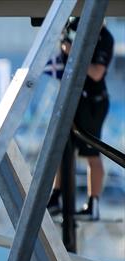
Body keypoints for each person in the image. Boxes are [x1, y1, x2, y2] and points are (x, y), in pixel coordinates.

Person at [46, 17, 114, 221]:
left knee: (92, 154)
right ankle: (56, 197)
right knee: (62, 148)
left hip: (93, 102)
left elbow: (96, 73)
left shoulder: (105, 38)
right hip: (73, 99)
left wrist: (73, 52)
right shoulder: (74, 25)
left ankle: (94, 204)